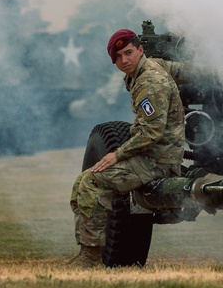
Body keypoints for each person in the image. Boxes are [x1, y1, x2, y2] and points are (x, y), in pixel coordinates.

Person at [67, 28, 185, 268]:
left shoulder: (149, 80)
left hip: (156, 161)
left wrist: (117, 154)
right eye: (119, 57)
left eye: (129, 52)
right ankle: (91, 243)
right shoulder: (151, 67)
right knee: (81, 184)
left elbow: (152, 132)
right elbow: (184, 70)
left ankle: (90, 257)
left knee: (91, 182)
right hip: (150, 155)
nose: (124, 60)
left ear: (140, 50)